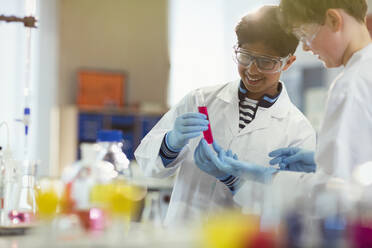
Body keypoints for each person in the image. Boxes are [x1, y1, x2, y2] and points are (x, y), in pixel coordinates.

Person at [134, 5, 316, 226]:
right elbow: (147, 165)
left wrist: (233, 179)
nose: (252, 70)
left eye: (266, 62)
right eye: (245, 56)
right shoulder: (200, 99)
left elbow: (289, 207)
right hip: (182, 234)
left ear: (288, 62)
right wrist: (170, 143)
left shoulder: (298, 130)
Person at [208, 0, 372, 207]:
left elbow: (334, 194)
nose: (305, 47)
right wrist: (320, 162)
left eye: (305, 35)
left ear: (333, 20)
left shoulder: (352, 84)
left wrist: (259, 179)